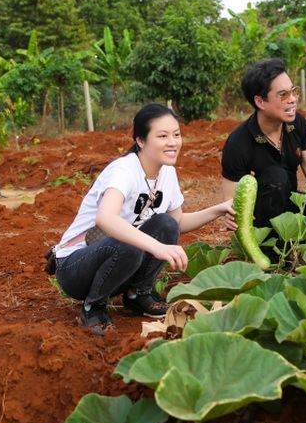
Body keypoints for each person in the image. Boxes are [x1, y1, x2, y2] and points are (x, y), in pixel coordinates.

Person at [45, 103, 234, 335]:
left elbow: (178, 222)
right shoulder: (124, 170)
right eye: (162, 136)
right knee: (128, 242)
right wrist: (157, 247)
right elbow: (105, 218)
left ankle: (138, 294)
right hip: (75, 268)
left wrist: (219, 209)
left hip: (117, 262)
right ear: (141, 141)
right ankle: (92, 307)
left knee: (166, 224)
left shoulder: (167, 172)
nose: (173, 142)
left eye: (176, 135)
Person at [221, 57, 306, 242]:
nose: (293, 99)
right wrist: (233, 218)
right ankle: (271, 249)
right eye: (283, 94)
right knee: (276, 176)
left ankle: (295, 242)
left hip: (289, 201)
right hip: (260, 217)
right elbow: (232, 201)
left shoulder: (298, 124)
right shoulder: (238, 144)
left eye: (293, 91)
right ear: (260, 101)